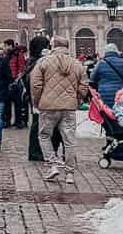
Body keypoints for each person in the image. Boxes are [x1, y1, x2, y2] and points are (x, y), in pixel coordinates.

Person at [29, 34, 89, 185]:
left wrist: (37, 102)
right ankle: (69, 173)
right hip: (68, 107)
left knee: (44, 136)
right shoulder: (76, 64)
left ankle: (52, 164)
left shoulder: (43, 62)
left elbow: (35, 85)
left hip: (48, 106)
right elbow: (84, 86)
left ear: (53, 46)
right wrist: (78, 100)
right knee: (69, 140)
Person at [24, 32, 51, 162]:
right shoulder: (37, 62)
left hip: (36, 97)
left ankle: (36, 151)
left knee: (38, 124)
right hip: (38, 97)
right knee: (37, 125)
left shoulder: (31, 61)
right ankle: (35, 152)